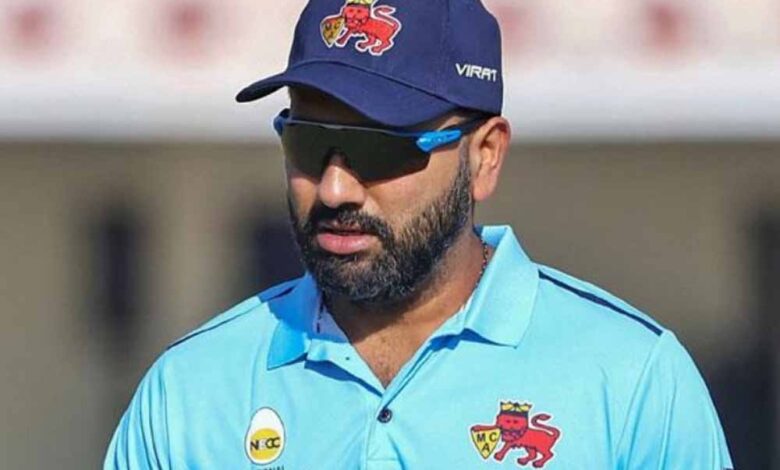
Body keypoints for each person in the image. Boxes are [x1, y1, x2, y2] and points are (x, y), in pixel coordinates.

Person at [105, 0, 733, 469]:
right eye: (307, 141)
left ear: (484, 156)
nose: (335, 189)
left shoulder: (633, 380)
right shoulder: (188, 392)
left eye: (380, 148)